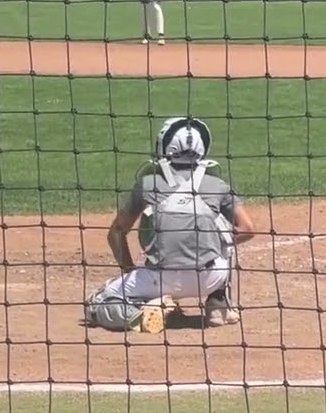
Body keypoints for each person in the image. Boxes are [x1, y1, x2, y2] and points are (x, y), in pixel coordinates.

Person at [84, 117, 256, 333]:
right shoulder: (217, 185)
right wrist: (215, 241)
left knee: (96, 304)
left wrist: (130, 272)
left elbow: (116, 233)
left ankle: (147, 308)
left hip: (160, 279)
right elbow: (248, 229)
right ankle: (218, 303)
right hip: (210, 278)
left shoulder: (147, 184)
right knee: (220, 228)